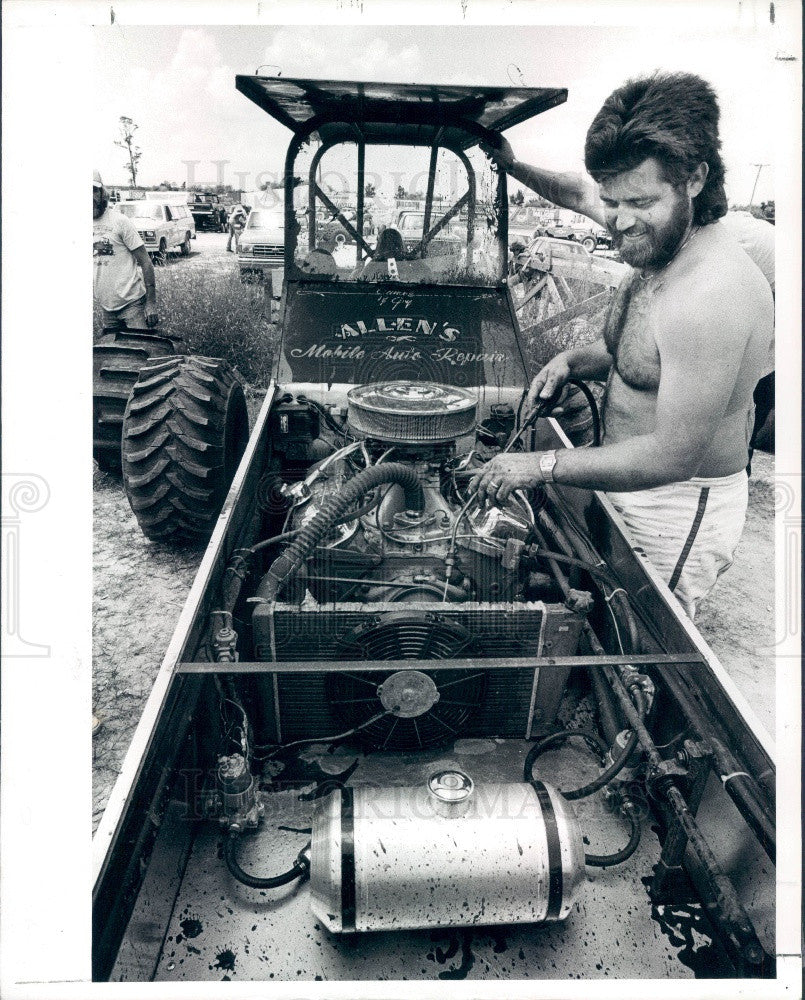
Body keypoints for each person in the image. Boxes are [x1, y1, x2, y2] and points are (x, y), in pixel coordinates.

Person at [474, 72, 773, 619]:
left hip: (671, 507)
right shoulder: (653, 226)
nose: (618, 219)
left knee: (638, 654)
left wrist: (538, 465)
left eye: (638, 201)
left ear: (696, 179)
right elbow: (636, 353)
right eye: (611, 201)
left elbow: (672, 455)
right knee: (593, 615)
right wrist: (570, 360)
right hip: (618, 478)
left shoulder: (710, 293)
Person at [93, 170, 158, 329]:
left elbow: (146, 262)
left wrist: (151, 303)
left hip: (132, 305)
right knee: (114, 353)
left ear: (103, 193)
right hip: (107, 309)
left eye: (94, 191)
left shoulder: (120, 221)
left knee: (141, 350)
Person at [353, 227, 430, 282]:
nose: (391, 249)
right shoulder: (407, 265)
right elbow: (428, 276)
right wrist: (412, 259)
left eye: (394, 245)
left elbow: (361, 280)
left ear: (380, 246)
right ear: (401, 245)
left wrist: (369, 261)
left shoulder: (375, 265)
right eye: (388, 246)